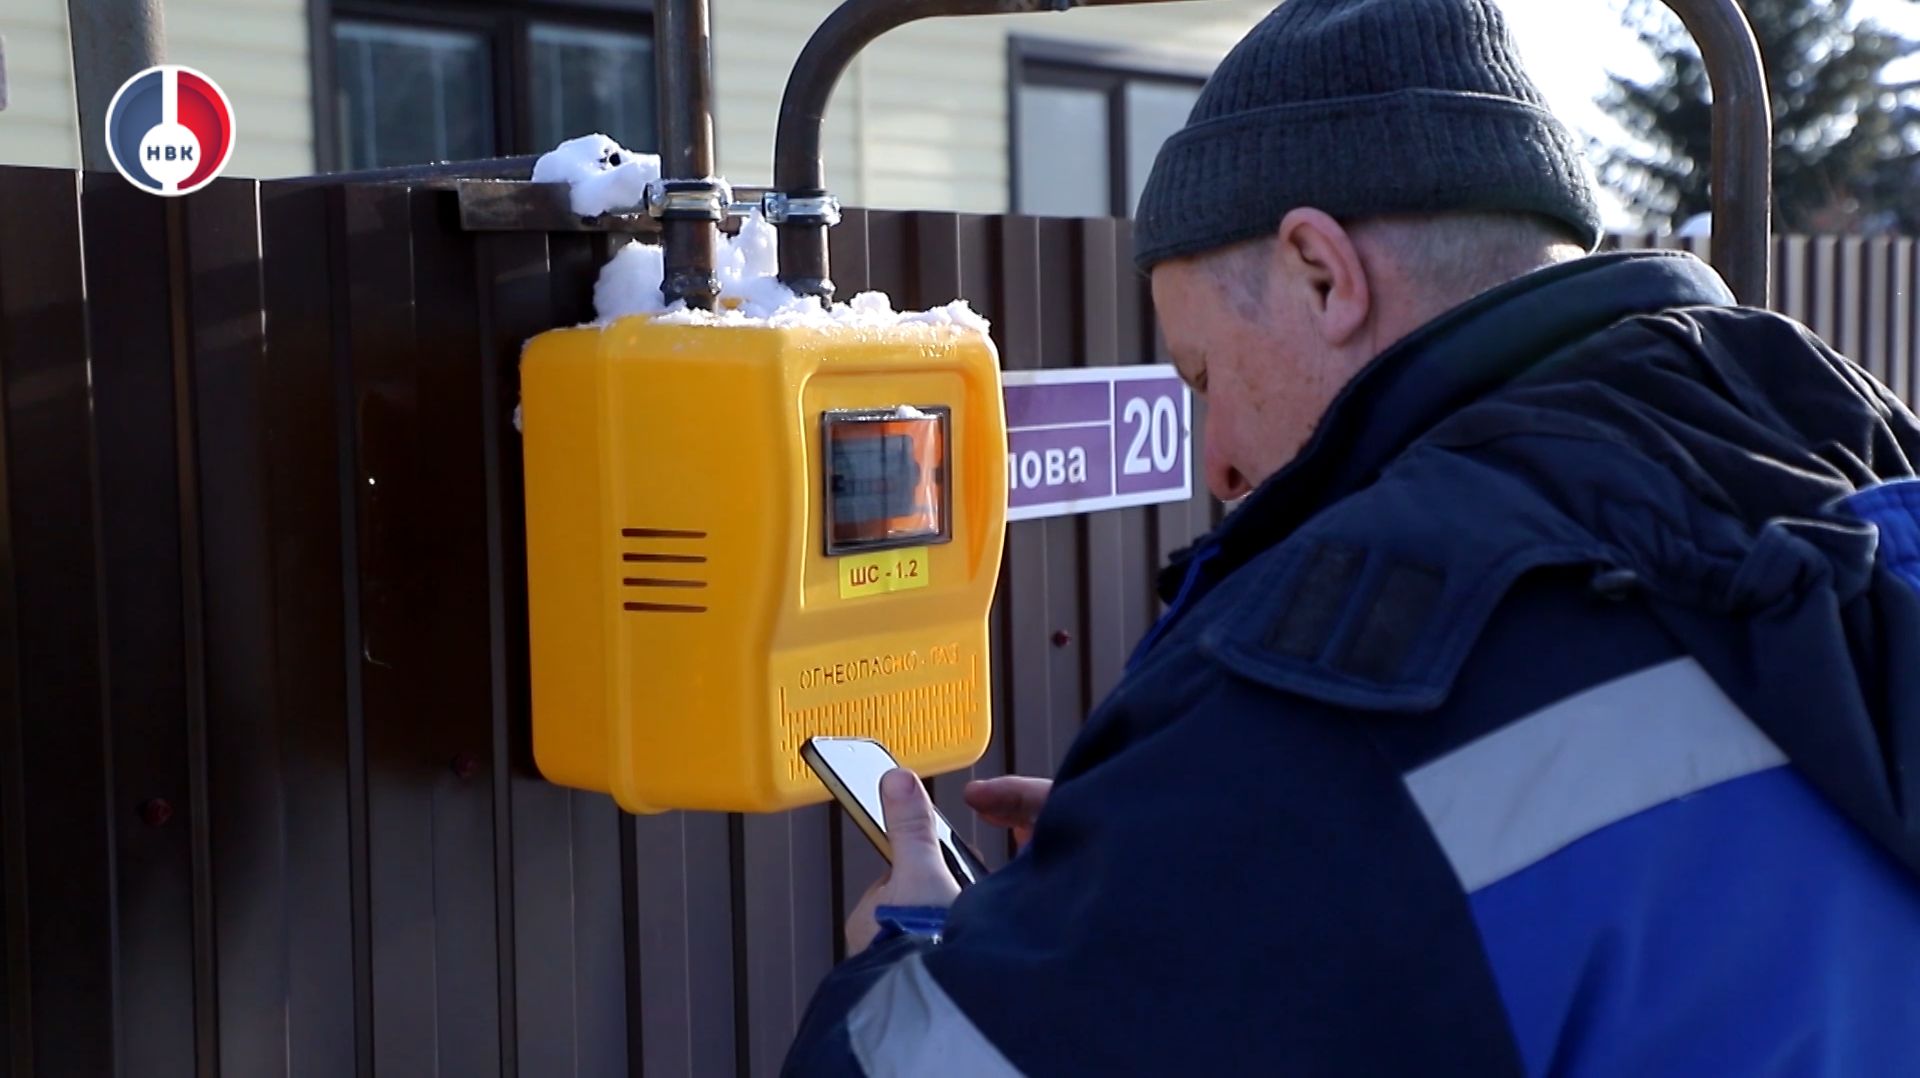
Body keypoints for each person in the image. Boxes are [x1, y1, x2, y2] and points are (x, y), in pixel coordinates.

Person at [783, 0, 1920, 1073]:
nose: (1218, 463)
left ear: (1324, 274)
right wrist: (1162, 853)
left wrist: (910, 942)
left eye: (1203, 375)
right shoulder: (1847, 459)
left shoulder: (1360, 669)